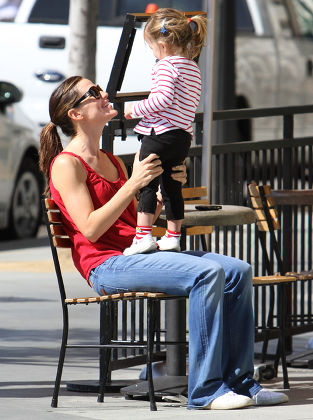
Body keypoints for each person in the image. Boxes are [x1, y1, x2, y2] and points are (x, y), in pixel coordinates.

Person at [39, 76, 289, 410]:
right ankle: (205, 391)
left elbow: (135, 220)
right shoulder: (66, 165)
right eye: (93, 93)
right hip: (106, 265)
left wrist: (163, 190)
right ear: (76, 114)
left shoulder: (112, 160)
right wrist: (133, 184)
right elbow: (91, 228)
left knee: (236, 270)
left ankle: (241, 382)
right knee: (206, 274)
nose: (104, 95)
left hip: (135, 253)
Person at [123, 8, 207, 255]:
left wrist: (134, 110)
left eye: (151, 48)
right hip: (182, 136)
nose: (153, 53)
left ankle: (143, 236)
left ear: (162, 44)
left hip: (160, 132)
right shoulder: (192, 67)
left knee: (147, 182)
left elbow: (161, 98)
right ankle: (172, 236)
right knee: (171, 187)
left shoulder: (166, 66)